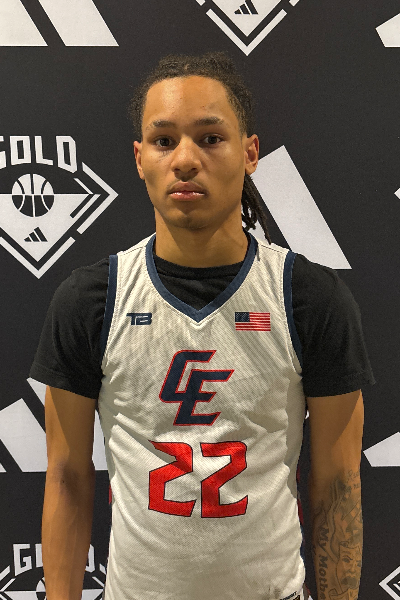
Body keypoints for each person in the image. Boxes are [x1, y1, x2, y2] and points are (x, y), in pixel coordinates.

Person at [30, 51, 375, 600]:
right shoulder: (91, 300)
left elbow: (337, 485)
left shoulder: (310, 299)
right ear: (139, 158)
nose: (186, 159)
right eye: (164, 141)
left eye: (211, 138)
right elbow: (68, 480)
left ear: (250, 152)